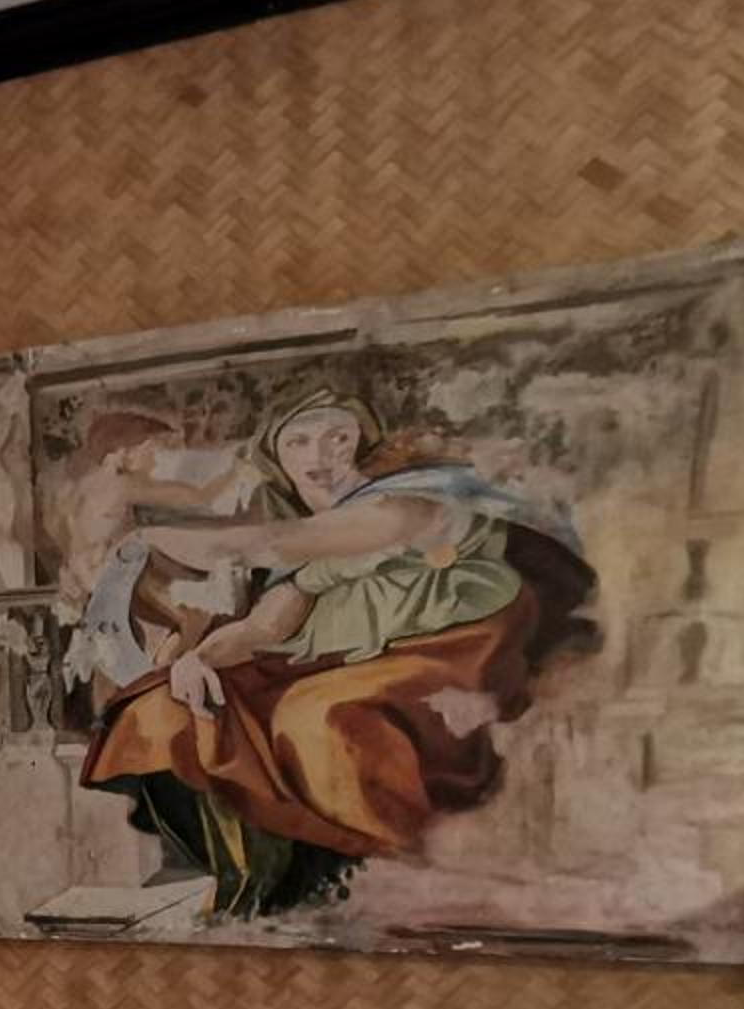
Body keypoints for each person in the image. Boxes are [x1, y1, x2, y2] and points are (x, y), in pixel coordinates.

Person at [81, 390, 593, 916]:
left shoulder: (400, 503)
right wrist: (199, 660)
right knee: (162, 710)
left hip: (455, 655)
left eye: (337, 437)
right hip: (358, 665)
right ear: (278, 459)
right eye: (298, 442)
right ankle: (252, 884)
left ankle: (358, 883)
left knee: (315, 717)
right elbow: (265, 624)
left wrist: (144, 538)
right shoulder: (309, 550)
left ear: (361, 442)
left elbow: (262, 545)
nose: (319, 455)